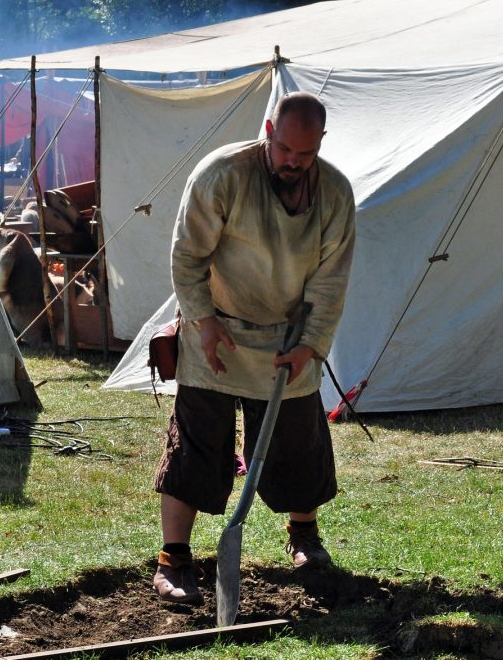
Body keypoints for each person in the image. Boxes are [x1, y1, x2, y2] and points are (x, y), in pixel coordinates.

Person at [152, 92, 356, 604]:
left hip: (288, 341)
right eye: (285, 148)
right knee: (197, 443)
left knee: (298, 444)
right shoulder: (221, 174)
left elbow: (331, 281)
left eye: (305, 154)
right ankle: (174, 559)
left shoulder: (334, 193)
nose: (293, 161)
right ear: (269, 130)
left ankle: (304, 537)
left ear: (320, 145)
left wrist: (311, 344)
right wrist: (202, 321)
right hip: (213, 330)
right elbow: (187, 257)